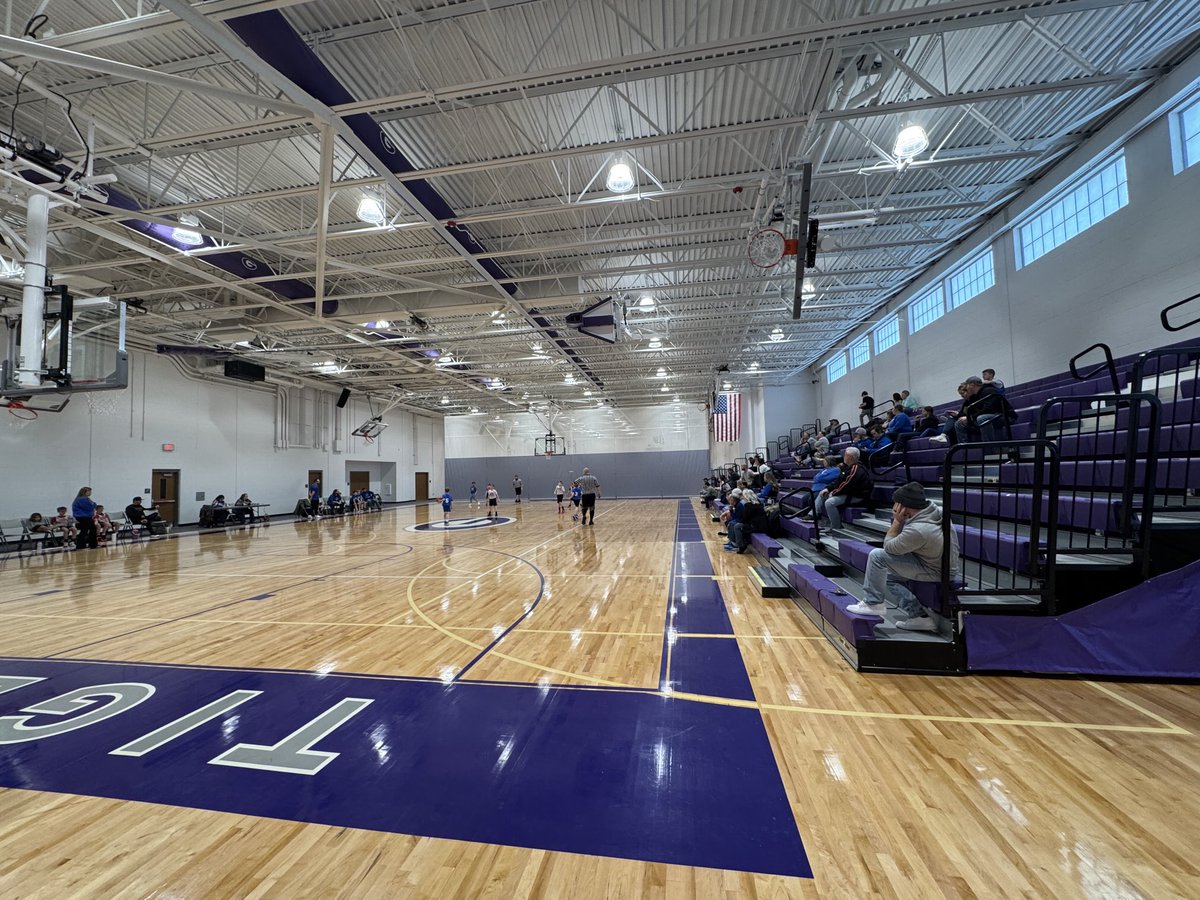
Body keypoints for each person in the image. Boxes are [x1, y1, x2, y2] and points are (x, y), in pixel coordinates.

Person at [847, 482, 961, 632]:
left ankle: (873, 603)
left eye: (896, 502)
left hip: (935, 571)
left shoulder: (919, 530)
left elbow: (889, 547)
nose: (894, 506)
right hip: (943, 565)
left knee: (877, 557)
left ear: (903, 506)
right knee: (887, 575)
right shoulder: (937, 511)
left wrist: (897, 521)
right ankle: (918, 617)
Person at [814, 447, 871, 530]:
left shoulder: (856, 469)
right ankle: (815, 515)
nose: (843, 457)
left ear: (850, 457)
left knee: (829, 502)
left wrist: (833, 493)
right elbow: (838, 481)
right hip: (847, 493)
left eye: (845, 455)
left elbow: (846, 485)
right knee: (822, 493)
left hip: (856, 496)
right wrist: (828, 488)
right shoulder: (848, 467)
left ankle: (836, 527)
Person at [953, 374, 1019, 445]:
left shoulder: (989, 390)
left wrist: (970, 418)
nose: (966, 388)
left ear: (972, 385)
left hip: (1005, 416)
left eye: (967, 386)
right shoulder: (975, 396)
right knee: (959, 423)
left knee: (982, 418)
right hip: (992, 417)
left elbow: (989, 409)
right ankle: (964, 448)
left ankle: (989, 448)